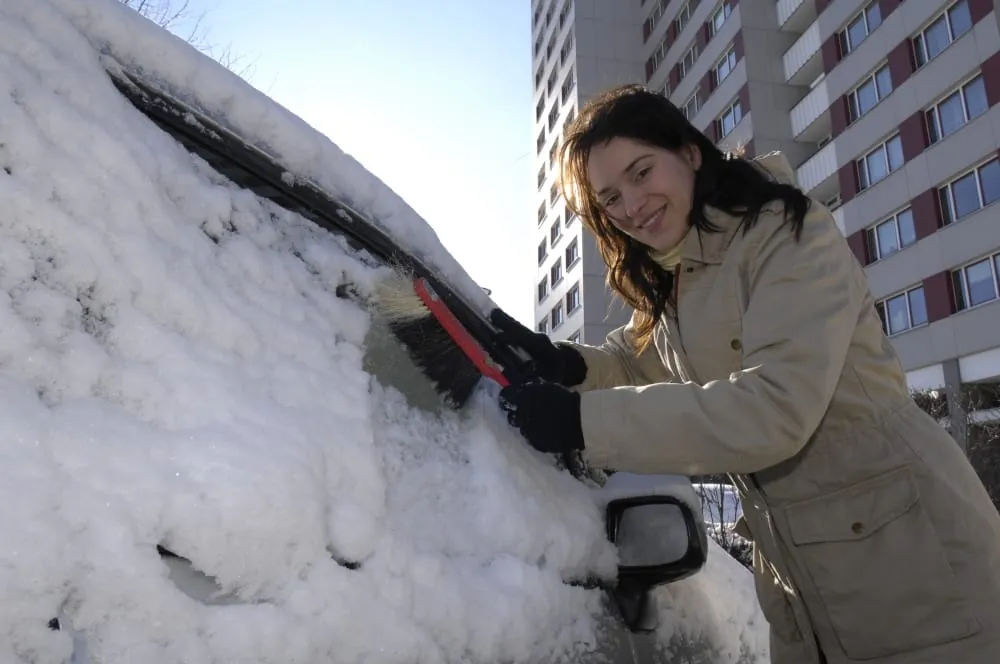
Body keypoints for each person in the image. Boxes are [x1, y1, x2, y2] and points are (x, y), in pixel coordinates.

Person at [491, 83, 1000, 664]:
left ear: (688, 152)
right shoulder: (680, 276)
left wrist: (581, 423)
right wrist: (566, 364)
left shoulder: (787, 235)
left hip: (914, 565)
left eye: (640, 172)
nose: (630, 206)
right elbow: (637, 362)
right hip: (801, 580)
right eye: (609, 198)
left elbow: (773, 409)